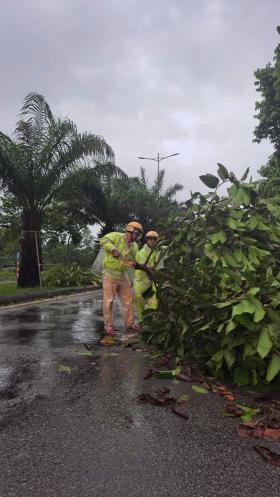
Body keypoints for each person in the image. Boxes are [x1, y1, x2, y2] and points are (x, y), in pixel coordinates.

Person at [99, 221, 143, 336]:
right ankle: (108, 327)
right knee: (108, 301)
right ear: (129, 230)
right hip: (109, 273)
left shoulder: (134, 246)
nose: (137, 237)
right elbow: (103, 240)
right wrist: (112, 249)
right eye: (136, 233)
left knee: (128, 299)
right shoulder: (116, 236)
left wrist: (135, 263)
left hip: (121, 274)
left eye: (139, 235)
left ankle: (130, 324)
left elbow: (135, 259)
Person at [134, 230, 160, 321]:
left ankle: (152, 322)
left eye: (154, 239)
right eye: (150, 238)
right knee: (138, 298)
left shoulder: (157, 252)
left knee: (153, 301)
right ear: (146, 240)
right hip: (140, 281)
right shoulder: (142, 252)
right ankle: (142, 321)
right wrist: (149, 272)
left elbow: (160, 265)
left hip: (152, 281)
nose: (152, 241)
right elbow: (143, 266)